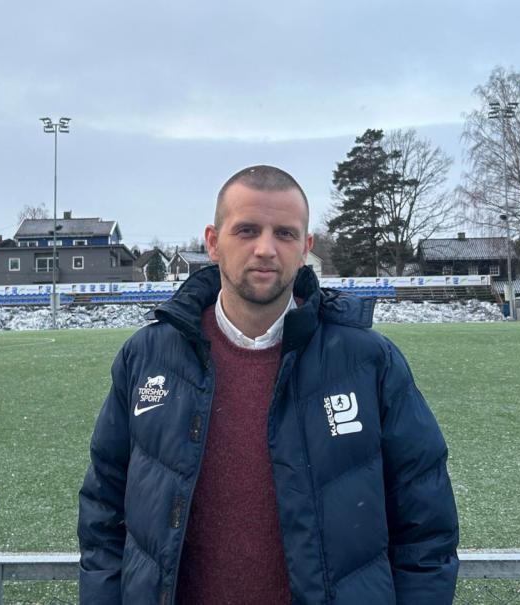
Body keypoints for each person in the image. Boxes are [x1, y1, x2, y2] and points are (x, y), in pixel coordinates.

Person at [78, 165, 459, 605]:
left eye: (284, 233)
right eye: (246, 230)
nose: (265, 249)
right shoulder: (146, 358)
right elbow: (102, 511)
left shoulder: (368, 362)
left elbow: (425, 525)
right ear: (213, 242)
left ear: (305, 248)